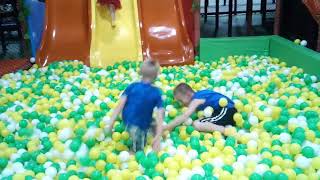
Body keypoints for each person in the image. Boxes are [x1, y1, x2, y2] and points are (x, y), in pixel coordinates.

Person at [108, 60, 164, 152]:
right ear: (156, 75)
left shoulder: (132, 86)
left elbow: (120, 105)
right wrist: (158, 138)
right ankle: (132, 152)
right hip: (138, 125)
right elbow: (160, 115)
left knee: (152, 122)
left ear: (140, 72)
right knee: (139, 150)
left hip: (127, 120)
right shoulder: (156, 92)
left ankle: (152, 133)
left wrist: (111, 122)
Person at [164, 83, 236, 134]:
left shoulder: (197, 98)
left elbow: (185, 115)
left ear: (188, 95)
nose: (180, 104)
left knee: (197, 124)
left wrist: (168, 127)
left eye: (180, 100)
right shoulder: (199, 96)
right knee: (199, 120)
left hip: (227, 110)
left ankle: (227, 131)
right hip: (223, 112)